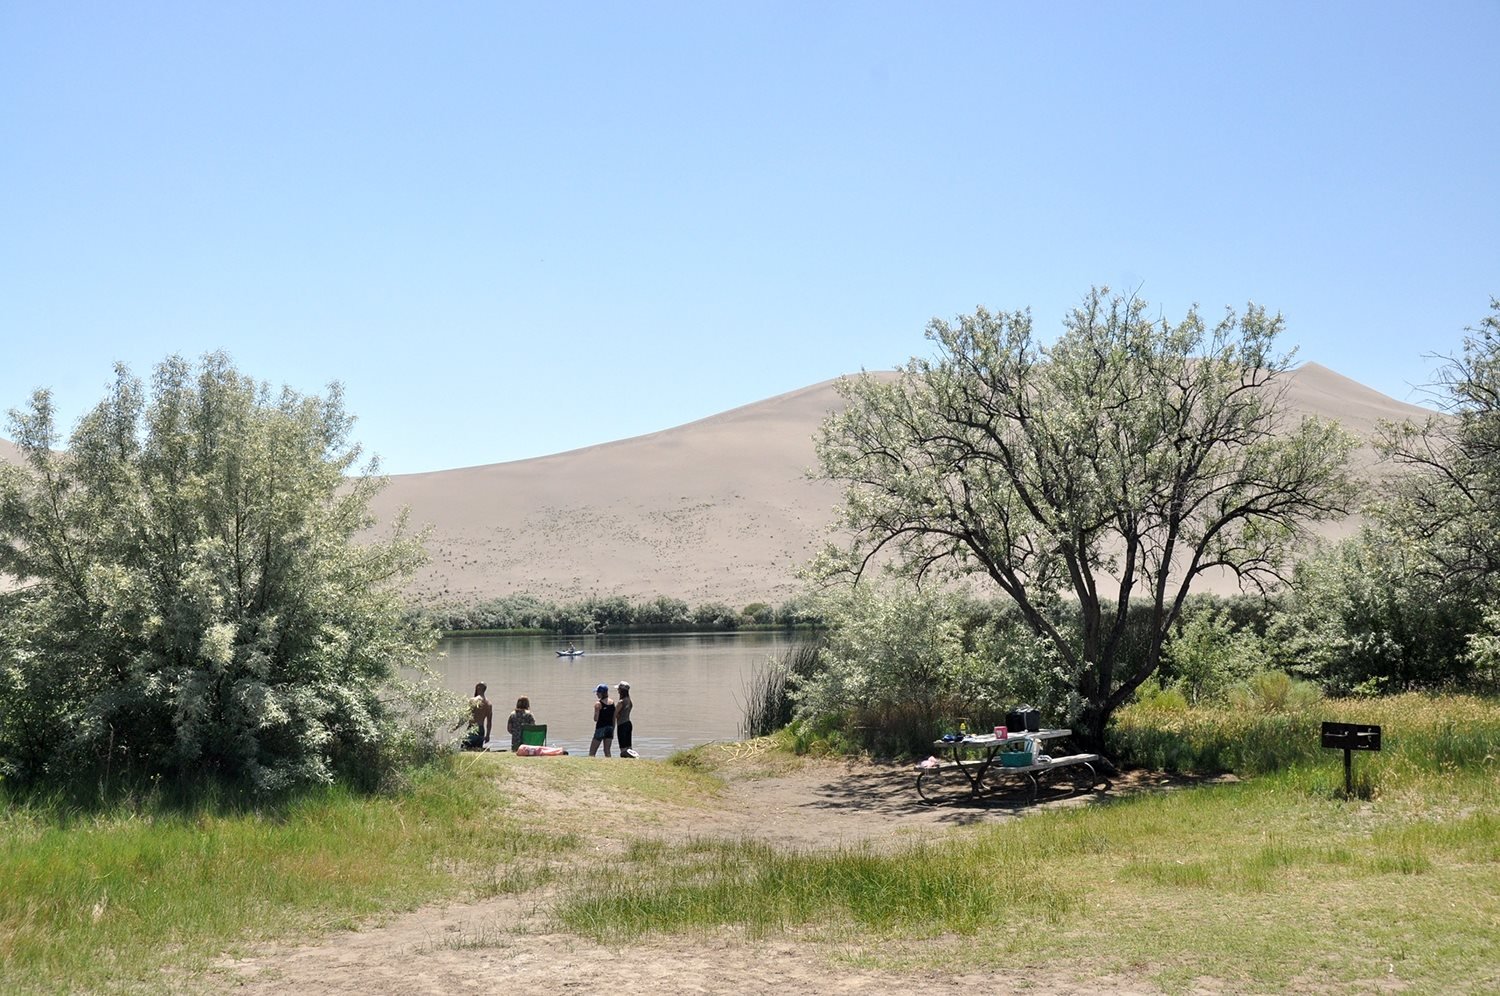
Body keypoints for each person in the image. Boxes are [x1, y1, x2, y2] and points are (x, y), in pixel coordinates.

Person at [457, 682, 492, 750]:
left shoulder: (473, 700)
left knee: (464, 749)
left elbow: (466, 715)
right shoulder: (489, 704)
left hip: (472, 728)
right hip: (481, 729)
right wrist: (488, 735)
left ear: (478, 688)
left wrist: (457, 726)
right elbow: (489, 722)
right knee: (477, 750)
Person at [589, 682, 615, 757]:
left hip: (600, 728)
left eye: (598, 692)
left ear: (601, 693)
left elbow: (595, 719)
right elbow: (613, 717)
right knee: (607, 751)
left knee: (592, 751)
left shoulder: (598, 704)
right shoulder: (612, 702)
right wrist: (613, 729)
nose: (596, 694)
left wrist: (596, 710)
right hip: (610, 728)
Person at [615, 681, 636, 758]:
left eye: (618, 689)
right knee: (629, 747)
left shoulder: (621, 702)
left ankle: (625, 759)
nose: (617, 691)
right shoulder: (629, 701)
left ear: (621, 690)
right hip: (628, 723)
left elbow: (614, 714)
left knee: (623, 747)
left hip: (622, 725)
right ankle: (631, 758)